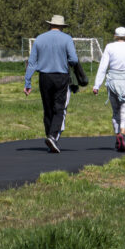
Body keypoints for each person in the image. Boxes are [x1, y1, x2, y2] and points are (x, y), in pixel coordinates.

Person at [24, 14, 81, 153]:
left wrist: (28, 82)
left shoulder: (39, 38)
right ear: (62, 26)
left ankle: (49, 134)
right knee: (59, 108)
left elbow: (32, 62)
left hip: (44, 77)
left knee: (48, 108)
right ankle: (53, 136)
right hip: (61, 76)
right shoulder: (67, 39)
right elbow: (73, 59)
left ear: (50, 25)